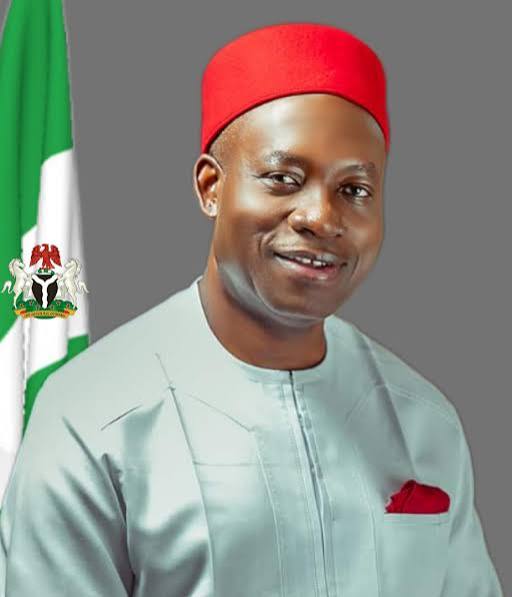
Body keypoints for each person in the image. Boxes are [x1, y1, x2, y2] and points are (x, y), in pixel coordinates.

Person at [0, 22, 503, 597]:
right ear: (210, 187)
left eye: (354, 190)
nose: (321, 217)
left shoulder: (424, 420)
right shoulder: (89, 416)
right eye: (283, 179)